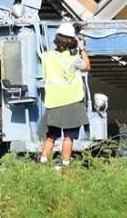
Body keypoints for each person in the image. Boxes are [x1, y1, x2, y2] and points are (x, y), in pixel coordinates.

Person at [38, 21, 90, 168]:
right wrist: (82, 50)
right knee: (68, 136)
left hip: (53, 102)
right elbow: (87, 66)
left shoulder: (47, 56)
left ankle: (42, 162)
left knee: (51, 136)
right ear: (72, 41)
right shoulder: (74, 59)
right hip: (72, 101)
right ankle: (65, 165)